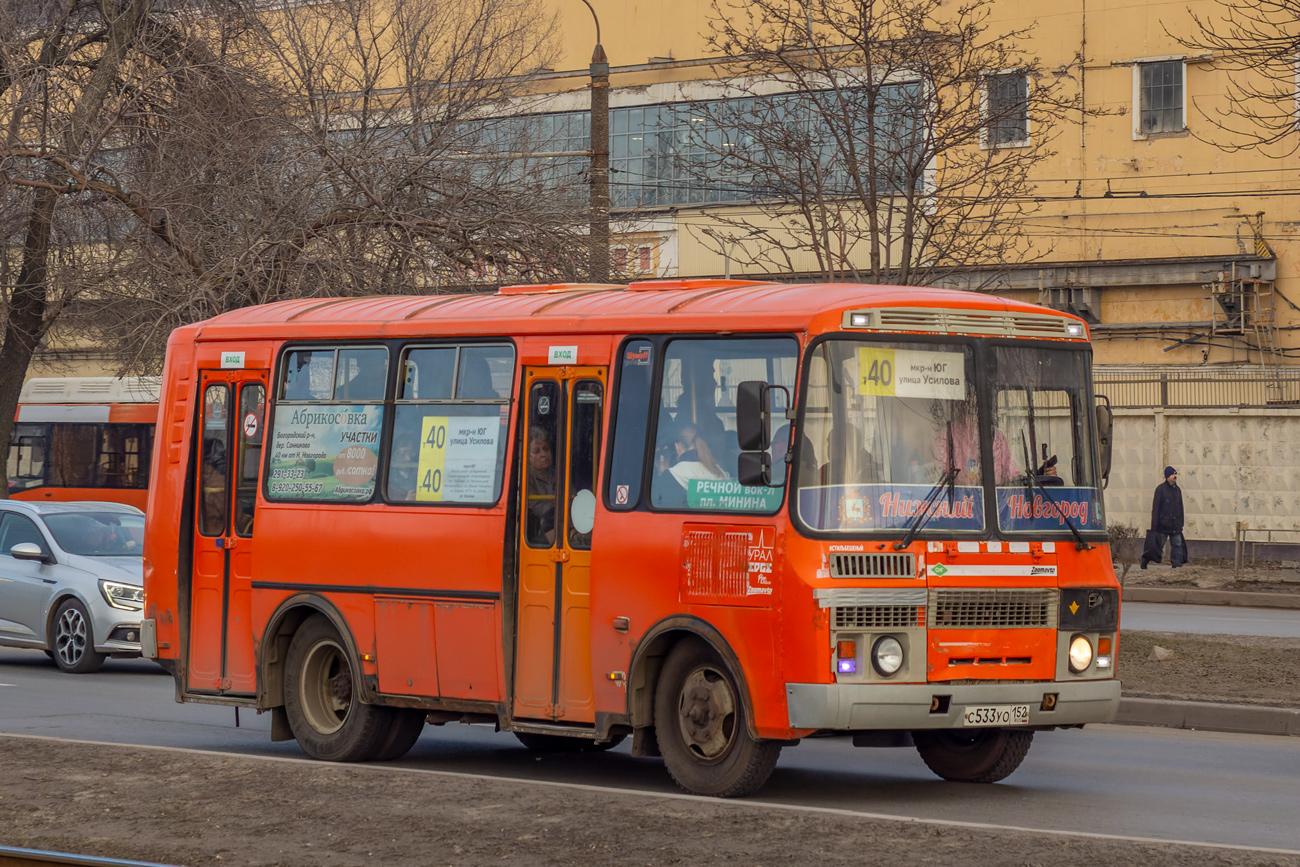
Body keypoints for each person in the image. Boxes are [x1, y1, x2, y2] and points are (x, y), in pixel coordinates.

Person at [932, 402, 1019, 486]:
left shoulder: (995, 435)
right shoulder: (947, 434)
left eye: (975, 408)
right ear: (959, 408)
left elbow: (1010, 472)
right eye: (968, 408)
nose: (972, 412)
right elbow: (939, 473)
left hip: (992, 499)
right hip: (955, 498)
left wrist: (1019, 481)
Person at [1141, 466, 1186, 569]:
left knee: (1177, 545)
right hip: (1163, 524)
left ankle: (1177, 564)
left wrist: (1181, 522)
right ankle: (1145, 560)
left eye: (1175, 474)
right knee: (1157, 545)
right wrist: (1155, 525)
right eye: (1172, 474)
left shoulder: (1177, 490)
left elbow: (1180, 507)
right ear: (1167, 476)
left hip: (1175, 524)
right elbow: (1156, 508)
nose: (1175, 476)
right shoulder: (1160, 489)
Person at [525, 428, 558, 544]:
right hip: (539, 538)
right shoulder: (526, 477)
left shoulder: (559, 474)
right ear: (528, 456)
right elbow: (538, 508)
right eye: (536, 451)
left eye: (546, 449)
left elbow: (573, 498)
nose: (543, 455)